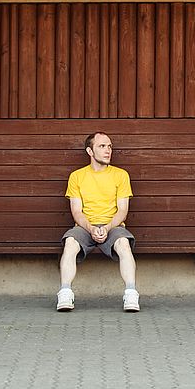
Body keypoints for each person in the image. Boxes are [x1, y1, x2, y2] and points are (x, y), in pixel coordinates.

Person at [57, 131, 140, 312]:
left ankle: (131, 294)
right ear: (90, 151)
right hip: (85, 226)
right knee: (70, 243)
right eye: (102, 146)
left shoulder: (121, 175)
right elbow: (76, 211)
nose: (108, 150)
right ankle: (65, 293)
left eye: (109, 146)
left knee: (123, 244)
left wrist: (108, 227)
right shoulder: (77, 176)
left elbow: (123, 211)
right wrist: (91, 227)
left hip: (114, 225)